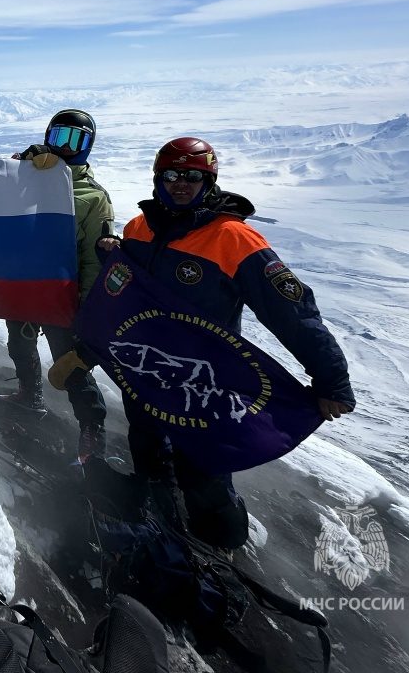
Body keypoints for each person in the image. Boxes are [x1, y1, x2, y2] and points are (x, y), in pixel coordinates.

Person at [93, 136, 355, 550]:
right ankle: (160, 528)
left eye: (193, 176)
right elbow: (132, 288)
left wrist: (331, 378)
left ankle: (222, 548)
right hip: (149, 372)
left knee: (203, 469)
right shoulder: (139, 228)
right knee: (146, 445)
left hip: (204, 381)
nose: (181, 183)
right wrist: (113, 252)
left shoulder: (233, 238)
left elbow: (292, 311)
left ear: (209, 181)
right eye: (171, 174)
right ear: (158, 179)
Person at [2, 110, 114, 464]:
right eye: (58, 137)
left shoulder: (93, 197)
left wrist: (87, 309)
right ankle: (30, 393)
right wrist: (21, 164)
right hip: (25, 285)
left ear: (87, 146)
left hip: (63, 295)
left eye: (74, 139)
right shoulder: (28, 177)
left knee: (70, 363)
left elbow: (95, 259)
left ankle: (92, 429)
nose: (64, 146)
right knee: (19, 344)